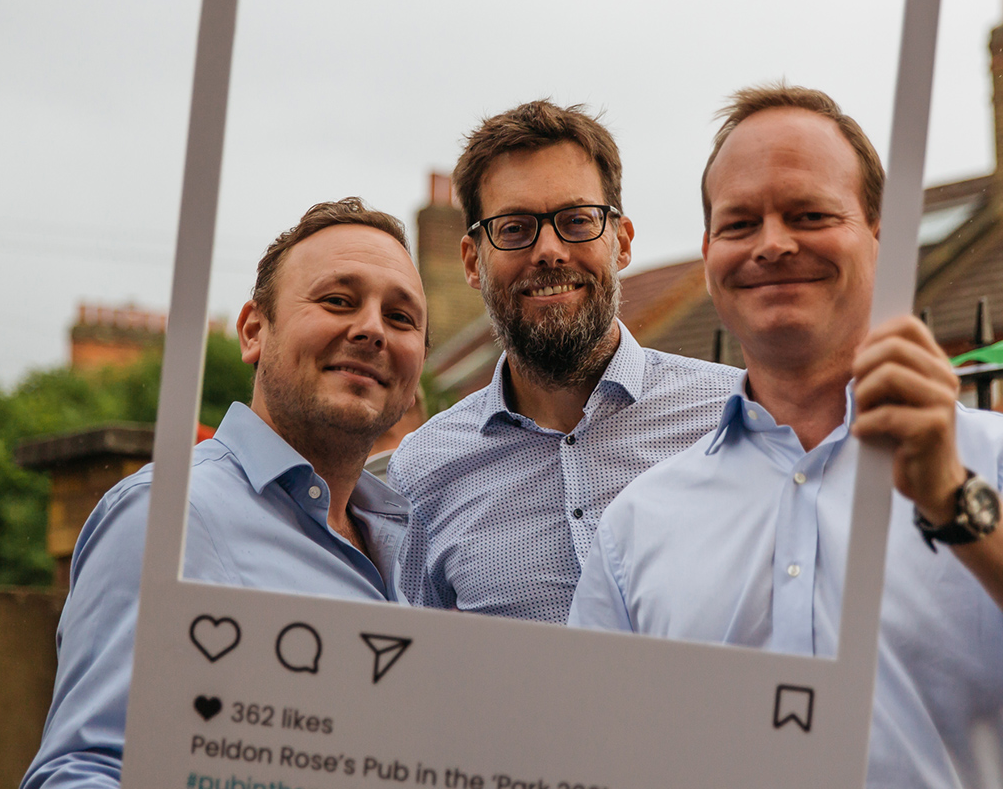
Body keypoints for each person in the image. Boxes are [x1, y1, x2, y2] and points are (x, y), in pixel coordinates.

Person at [570, 85, 1003, 788]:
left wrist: (954, 501)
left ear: (882, 239)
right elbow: (587, 752)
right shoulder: (636, 529)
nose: (773, 243)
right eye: (741, 223)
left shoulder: (992, 461)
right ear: (710, 255)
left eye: (809, 214)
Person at [23, 198, 427, 789]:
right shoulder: (168, 518)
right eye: (338, 300)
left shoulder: (419, 539)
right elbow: (84, 772)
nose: (371, 329)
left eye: (401, 317)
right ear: (253, 330)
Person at [389, 100, 739, 623]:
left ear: (620, 243)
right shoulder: (423, 474)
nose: (549, 251)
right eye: (513, 228)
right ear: (471, 260)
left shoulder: (736, 417)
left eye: (577, 220)